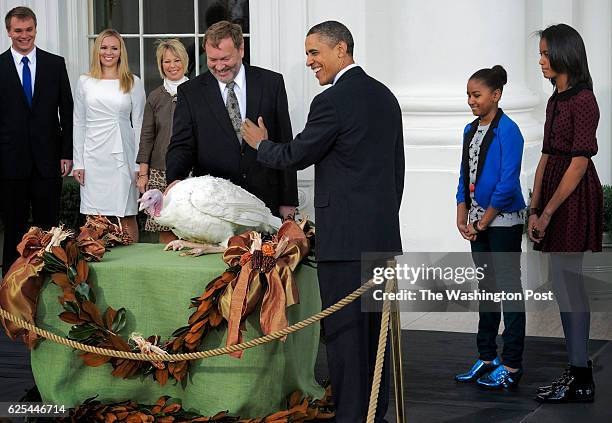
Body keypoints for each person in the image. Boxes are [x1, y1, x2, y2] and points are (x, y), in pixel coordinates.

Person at [241, 20, 404, 423]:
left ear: (341, 49)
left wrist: (260, 144)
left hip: (345, 243)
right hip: (381, 236)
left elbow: (297, 154)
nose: (309, 61)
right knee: (374, 339)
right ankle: (373, 415)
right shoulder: (385, 96)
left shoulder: (332, 100)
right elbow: (396, 171)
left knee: (347, 340)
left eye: (315, 52)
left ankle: (352, 417)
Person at [529, 23, 602, 404]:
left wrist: (549, 211)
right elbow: (546, 156)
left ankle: (581, 375)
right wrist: (534, 207)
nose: (540, 60)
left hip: (572, 197)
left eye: (545, 53)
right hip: (555, 196)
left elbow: (576, 164)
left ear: (564, 54)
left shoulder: (583, 100)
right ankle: (577, 371)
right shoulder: (555, 100)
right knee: (562, 285)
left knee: (568, 284)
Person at [166, 20, 297, 220]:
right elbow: (182, 145)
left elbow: (285, 141)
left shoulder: (272, 83)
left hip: (265, 201)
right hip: (214, 207)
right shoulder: (190, 92)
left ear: (241, 49)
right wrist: (175, 180)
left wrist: (288, 201)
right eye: (212, 60)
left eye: (225, 58)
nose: (219, 66)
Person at [454, 66, 526, 389]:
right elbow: (463, 177)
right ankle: (487, 356)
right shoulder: (470, 130)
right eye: (468, 94)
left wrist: (483, 221)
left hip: (503, 222)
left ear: (495, 95)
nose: (471, 100)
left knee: (508, 291)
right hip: (479, 221)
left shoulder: (510, 132)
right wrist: (462, 214)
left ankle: (511, 364)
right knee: (486, 289)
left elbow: (508, 183)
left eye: (476, 94)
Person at [0, 6, 73, 276]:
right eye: (18, 30)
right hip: (10, 164)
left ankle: (50, 285)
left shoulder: (55, 64)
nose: (24, 35)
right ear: (9, 32)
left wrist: (67, 153)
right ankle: (9, 291)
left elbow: (67, 111)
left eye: (29, 29)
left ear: (35, 29)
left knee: (48, 230)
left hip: (48, 161)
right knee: (14, 229)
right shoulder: (0, 66)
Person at [72, 29, 146, 242]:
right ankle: (95, 264)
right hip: (93, 155)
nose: (109, 53)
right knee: (93, 217)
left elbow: (140, 123)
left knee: (127, 214)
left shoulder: (133, 81)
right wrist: (79, 162)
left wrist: (138, 165)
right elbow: (79, 122)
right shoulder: (85, 81)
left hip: (124, 154)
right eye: (104, 47)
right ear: (97, 51)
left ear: (121, 51)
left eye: (114, 48)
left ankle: (133, 265)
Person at [136, 39, 189, 244]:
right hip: (160, 172)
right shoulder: (155, 97)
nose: (172, 65)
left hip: (190, 172)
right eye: (167, 61)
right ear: (161, 65)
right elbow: (147, 136)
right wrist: (143, 174)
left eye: (177, 60)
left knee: (189, 225)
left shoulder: (197, 92)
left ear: (184, 61)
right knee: (165, 227)